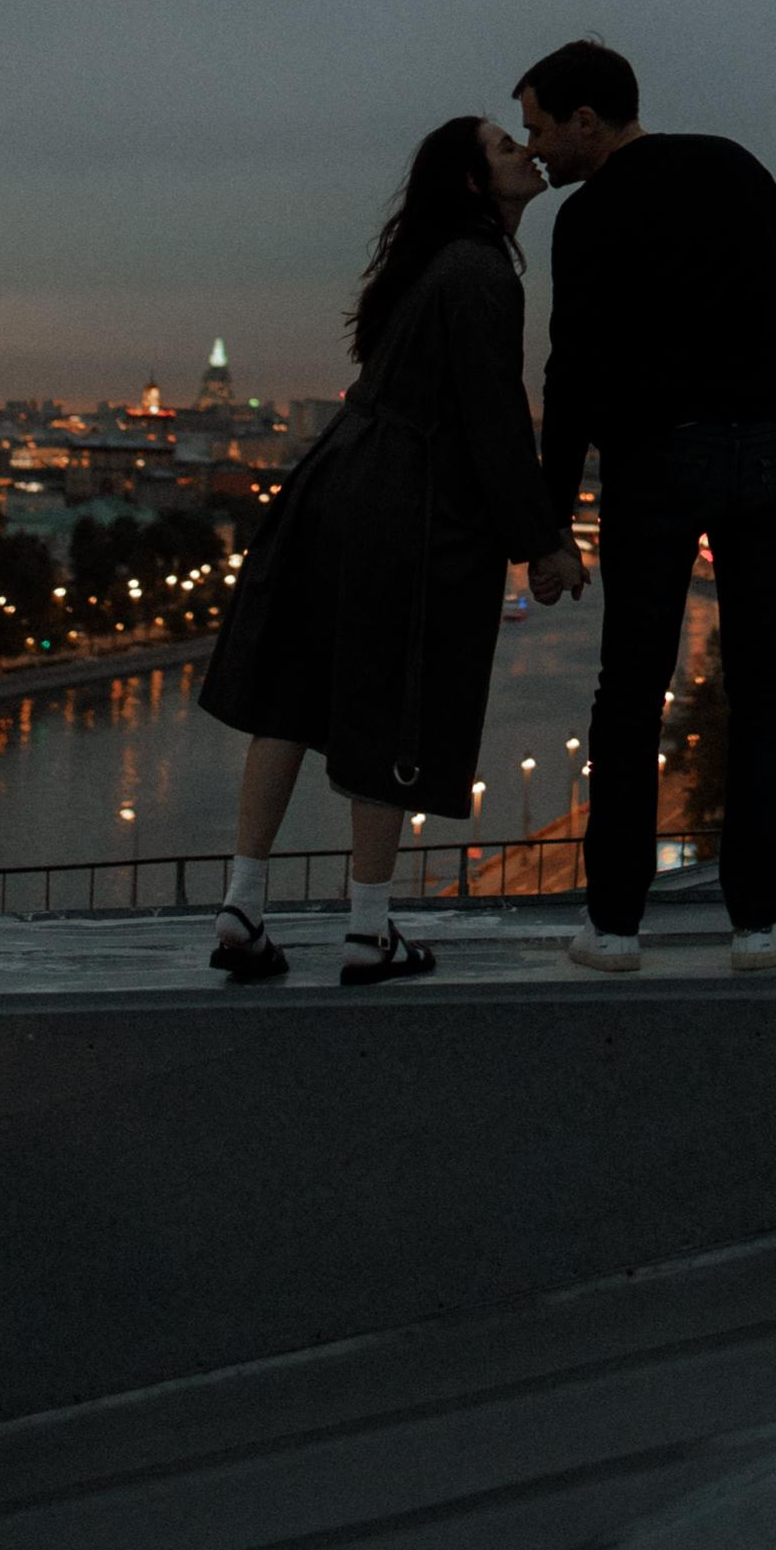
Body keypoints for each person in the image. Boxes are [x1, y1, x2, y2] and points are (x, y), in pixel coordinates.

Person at [197, 116, 583, 985]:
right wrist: (543, 544)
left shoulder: (427, 266)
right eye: (505, 147)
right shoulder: (481, 271)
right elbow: (494, 420)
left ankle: (242, 905)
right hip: (405, 505)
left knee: (290, 698)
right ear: (475, 184)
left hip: (335, 483)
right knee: (393, 700)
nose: (527, 151)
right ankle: (369, 930)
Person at [517, 39, 776, 976]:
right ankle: (760, 925)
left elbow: (570, 376)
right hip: (768, 452)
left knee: (631, 689)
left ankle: (614, 927)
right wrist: (773, 409)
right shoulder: (735, 165)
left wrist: (551, 521)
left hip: (655, 461)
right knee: (765, 685)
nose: (535, 152)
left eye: (539, 129)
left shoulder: (587, 217)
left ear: (586, 120)